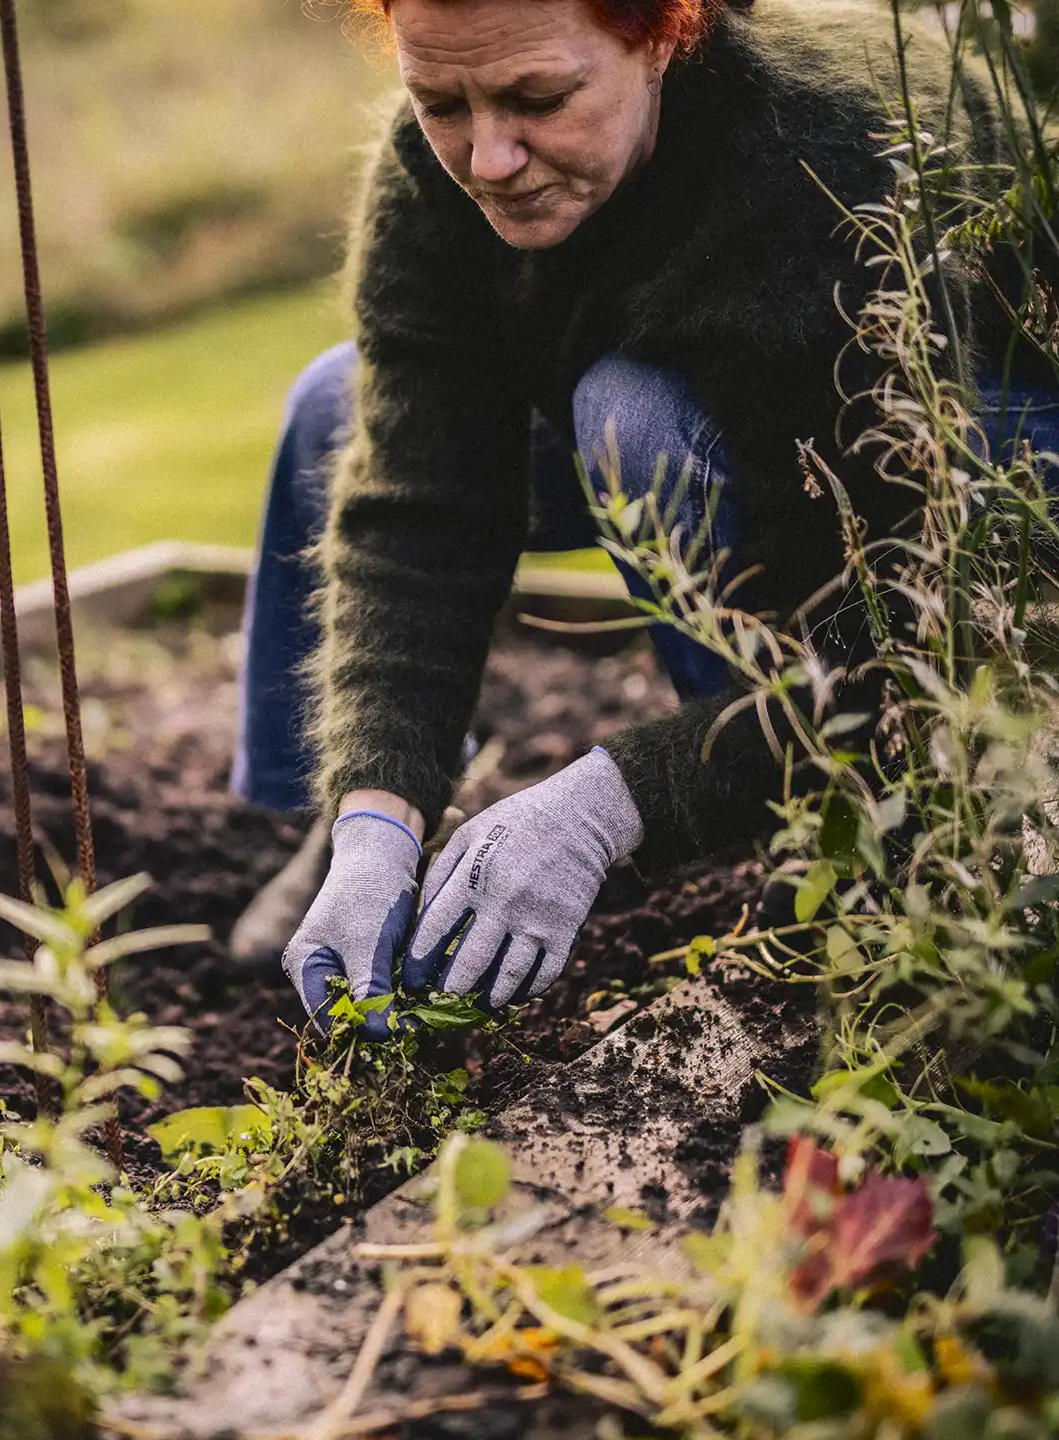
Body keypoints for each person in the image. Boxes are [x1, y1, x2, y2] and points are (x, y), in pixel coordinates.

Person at [228, 0, 1053, 1035]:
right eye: (442, 101)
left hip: (981, 433)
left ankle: (827, 839)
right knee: (331, 409)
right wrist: (377, 809)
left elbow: (888, 641)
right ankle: (349, 822)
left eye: (539, 99)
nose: (488, 158)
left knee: (635, 416)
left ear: (665, 34)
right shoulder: (427, 176)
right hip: (697, 360)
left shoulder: (816, 163)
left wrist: (613, 800)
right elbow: (420, 515)